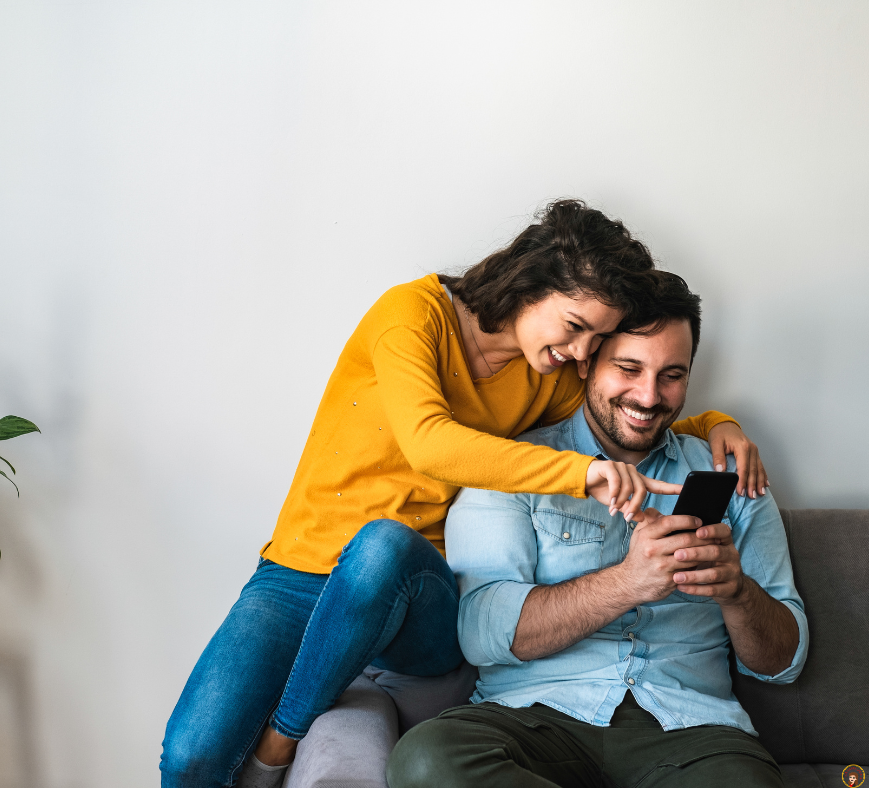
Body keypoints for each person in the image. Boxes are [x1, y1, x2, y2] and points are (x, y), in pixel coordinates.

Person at [160, 201, 767, 788]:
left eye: (596, 338)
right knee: (189, 757)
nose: (582, 352)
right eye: (576, 327)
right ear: (530, 285)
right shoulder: (412, 315)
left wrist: (717, 423)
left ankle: (281, 740)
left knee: (384, 547)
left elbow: (630, 413)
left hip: (415, 591)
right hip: (303, 568)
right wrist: (581, 474)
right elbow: (430, 442)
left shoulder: (546, 374)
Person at [387, 271, 807, 788]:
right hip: (533, 722)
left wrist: (737, 592)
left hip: (693, 735)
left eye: (671, 375)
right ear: (586, 361)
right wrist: (628, 582)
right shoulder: (513, 466)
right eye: (628, 368)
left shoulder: (734, 476)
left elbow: (783, 664)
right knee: (426, 760)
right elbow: (479, 633)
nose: (648, 396)